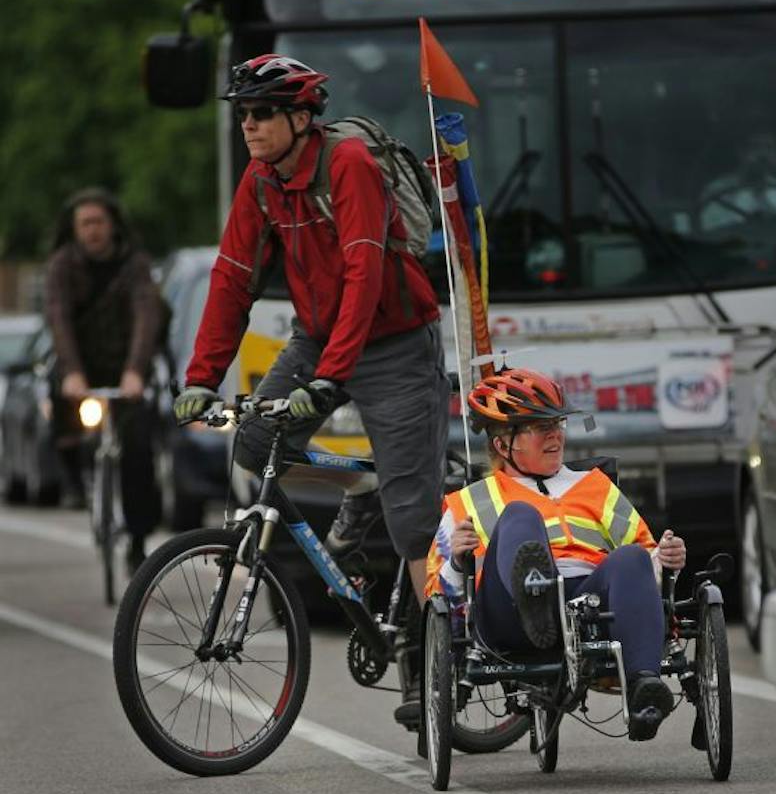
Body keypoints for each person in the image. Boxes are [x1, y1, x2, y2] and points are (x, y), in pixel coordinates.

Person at [173, 54, 450, 725]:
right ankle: (359, 489)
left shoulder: (348, 163)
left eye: (263, 113)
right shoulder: (262, 180)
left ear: (302, 117)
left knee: (415, 521)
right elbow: (233, 278)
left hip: (394, 342)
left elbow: (364, 271)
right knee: (255, 443)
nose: (250, 126)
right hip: (317, 338)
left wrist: (332, 376)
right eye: (243, 114)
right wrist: (201, 377)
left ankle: (426, 660)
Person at [425, 368, 689, 743]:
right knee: (520, 516)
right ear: (503, 445)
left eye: (558, 424)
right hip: (507, 615)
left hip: (589, 604)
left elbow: (645, 564)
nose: (555, 435)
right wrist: (456, 562)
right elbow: (436, 595)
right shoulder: (468, 502)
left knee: (630, 556)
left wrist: (665, 558)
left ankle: (644, 689)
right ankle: (536, 597)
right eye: (539, 427)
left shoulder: (595, 485)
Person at [44, 187, 163, 573]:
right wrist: (72, 373)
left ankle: (138, 541)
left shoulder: (135, 264)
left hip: (126, 368)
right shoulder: (62, 265)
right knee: (54, 388)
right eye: (84, 224)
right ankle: (73, 480)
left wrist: (135, 371)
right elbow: (59, 319)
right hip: (81, 366)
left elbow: (147, 317)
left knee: (139, 447)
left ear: (112, 224)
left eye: (98, 221)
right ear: (74, 229)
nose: (92, 230)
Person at [697, 131, 776, 236]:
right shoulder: (717, 189)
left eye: (769, 148)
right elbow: (709, 229)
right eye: (756, 147)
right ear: (741, 152)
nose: (762, 154)